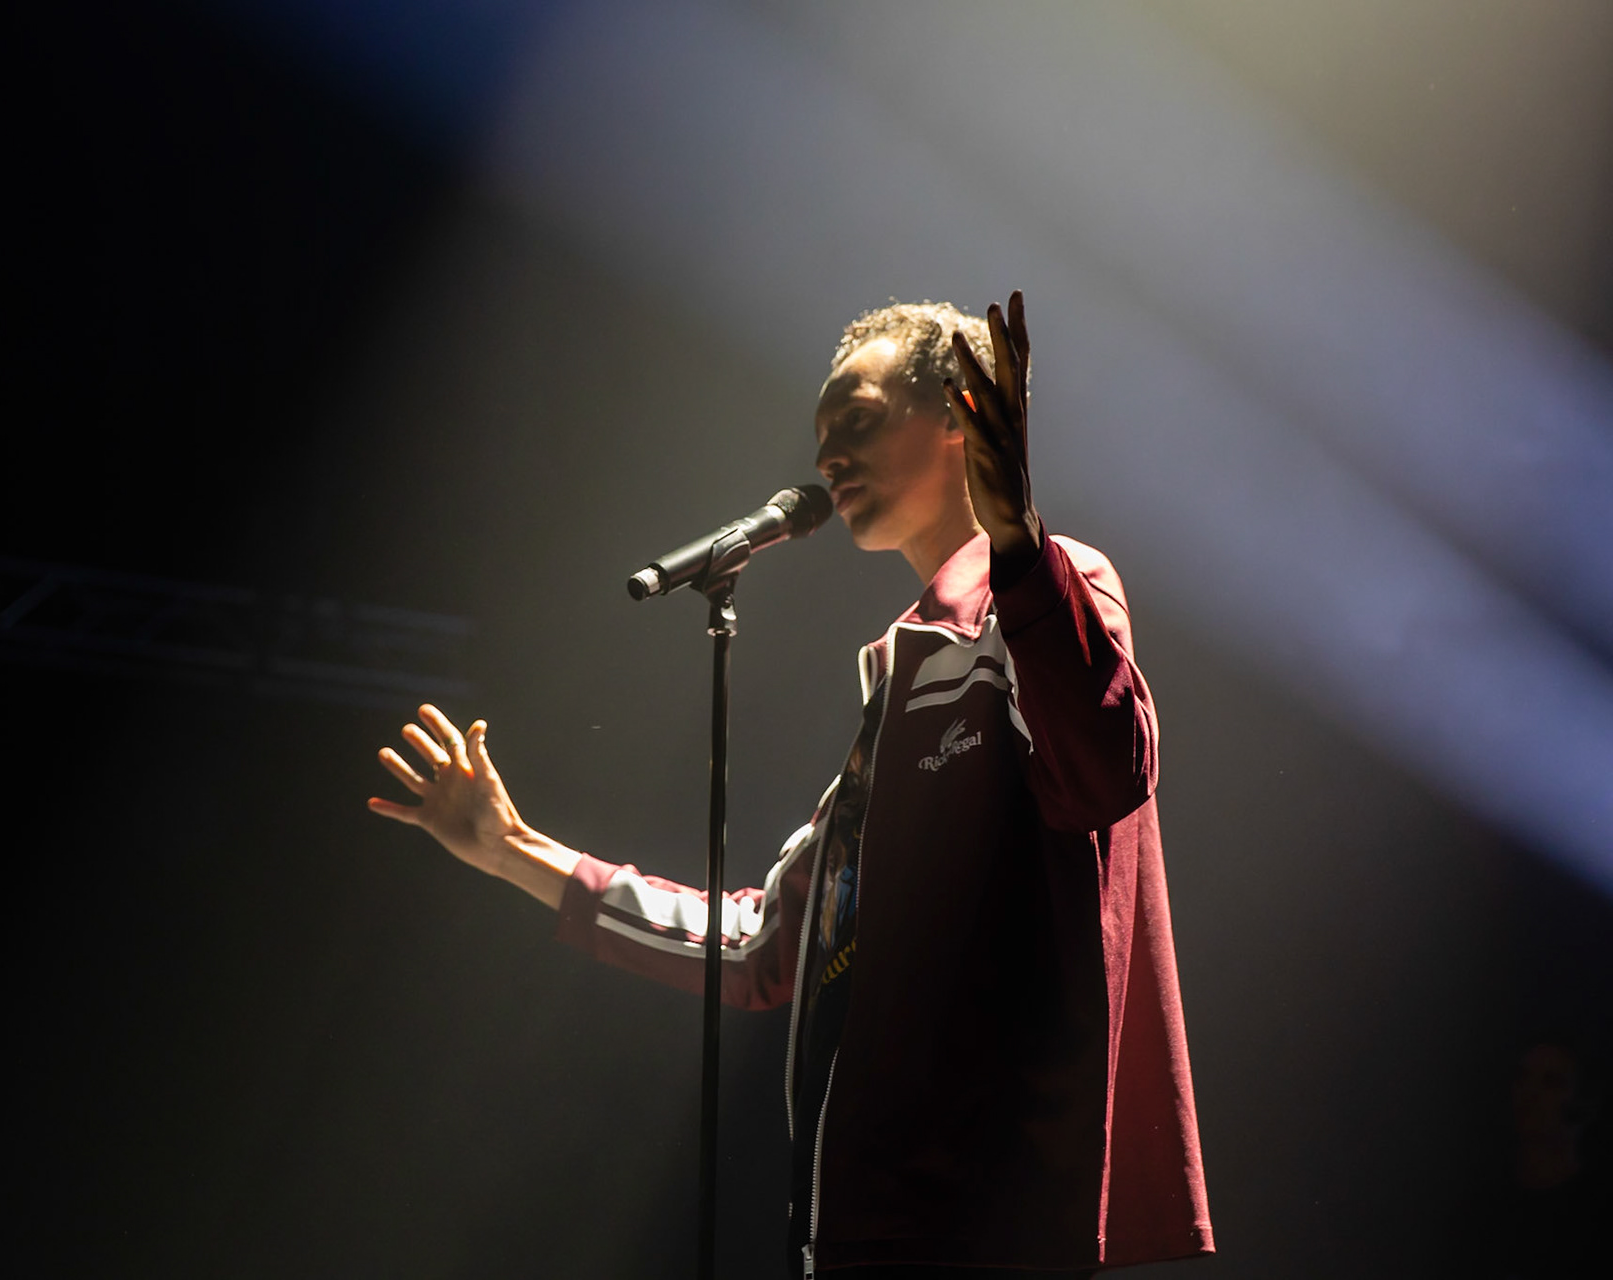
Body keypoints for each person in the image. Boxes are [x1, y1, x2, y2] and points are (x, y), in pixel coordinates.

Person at [367, 293, 1214, 1276]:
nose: (827, 458)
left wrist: (1018, 539)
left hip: (984, 1218)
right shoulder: (900, 687)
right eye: (820, 438)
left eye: (856, 420)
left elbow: (1110, 770)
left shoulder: (1047, 588)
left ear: (961, 415)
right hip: (864, 1225)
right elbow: (766, 943)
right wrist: (510, 848)